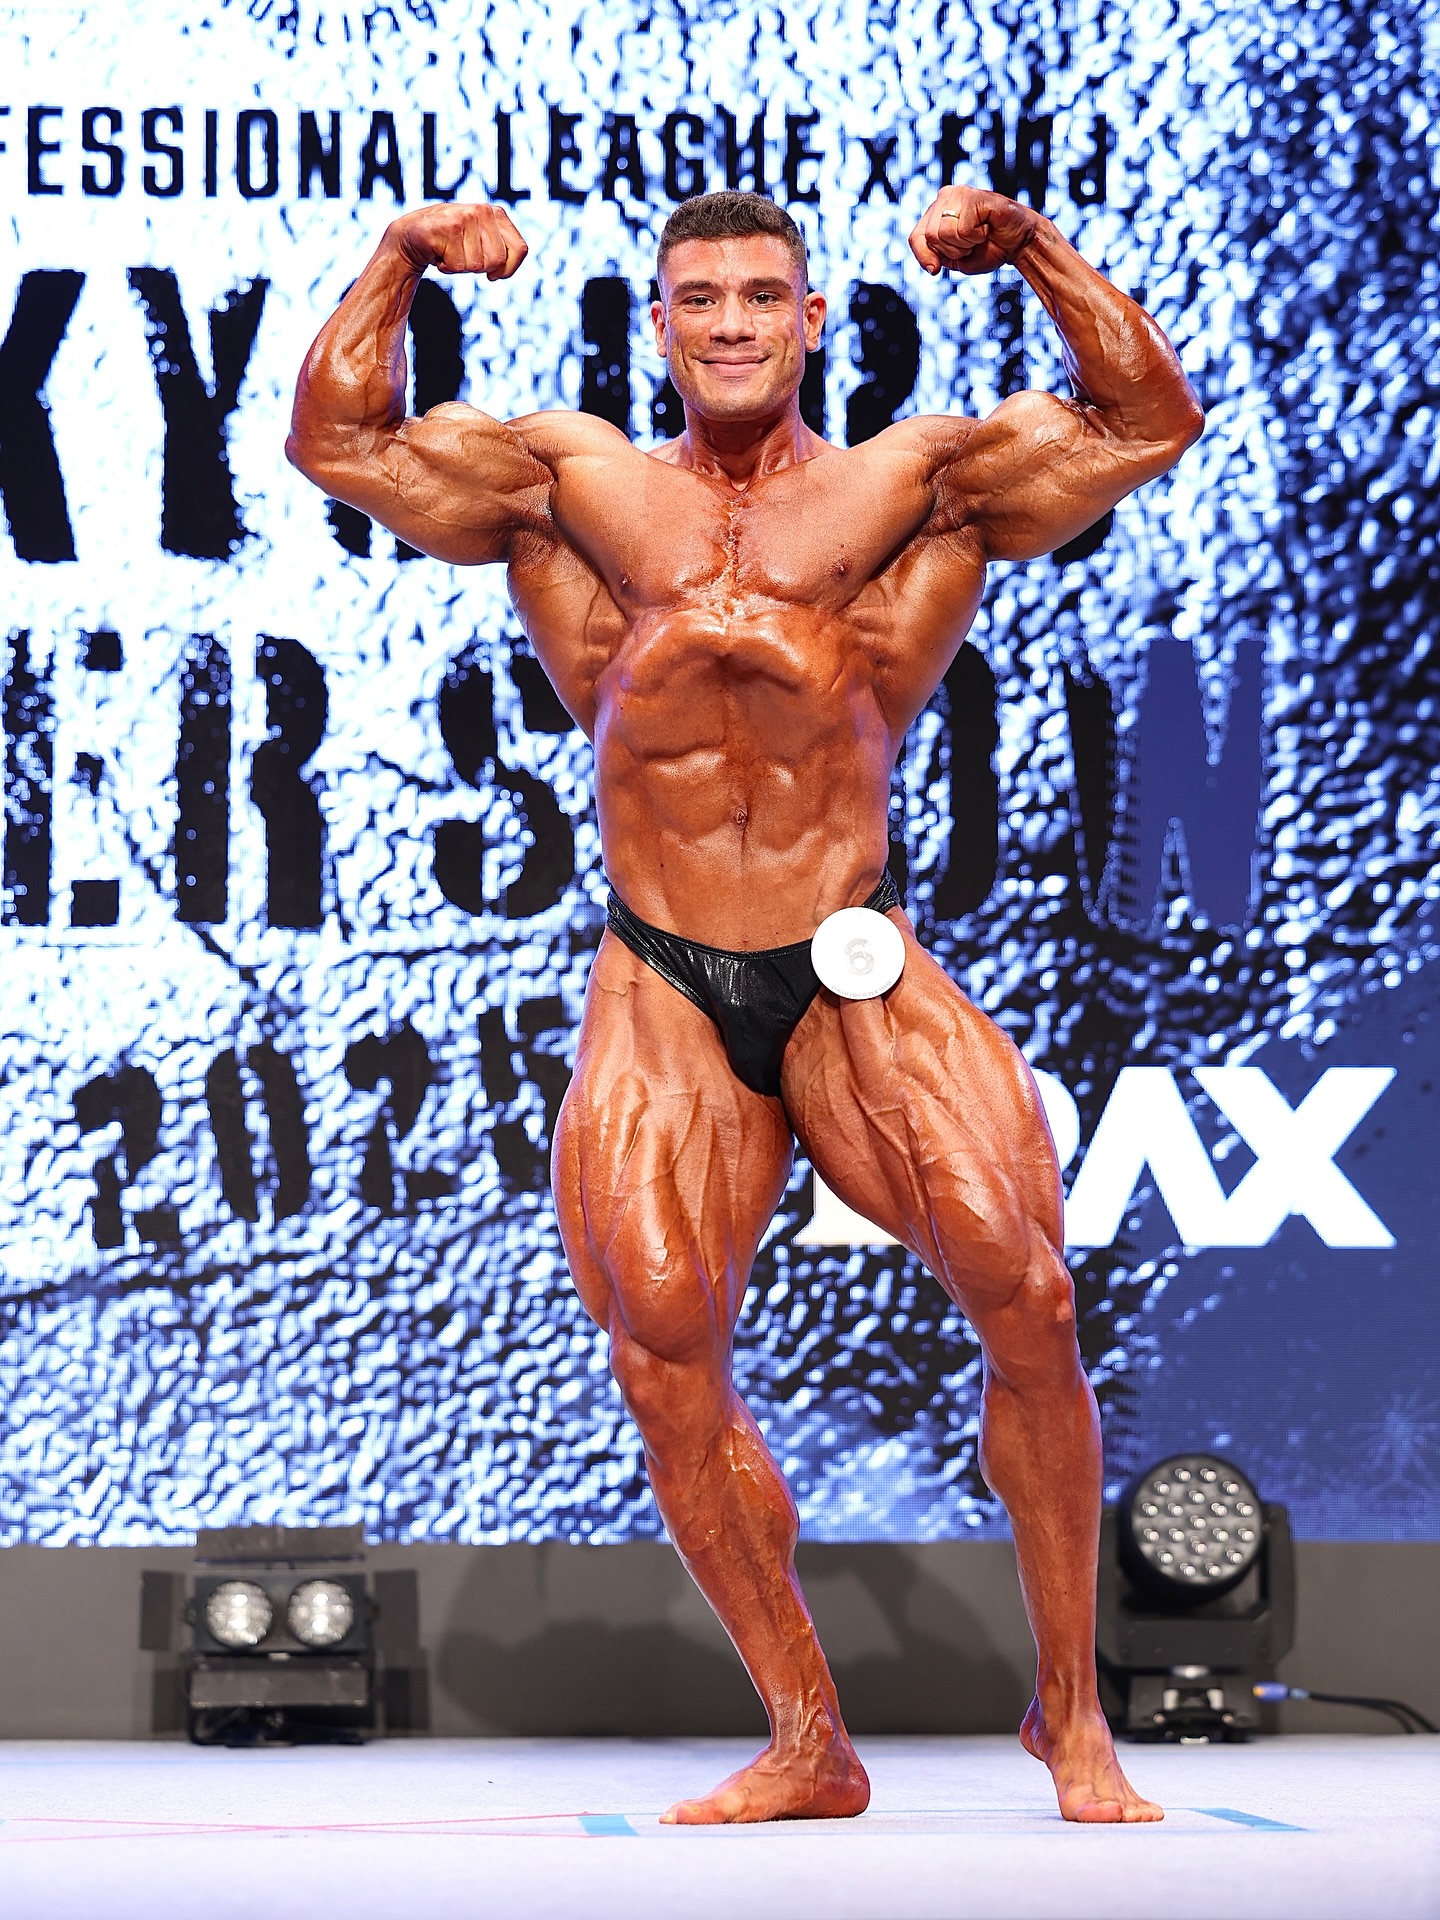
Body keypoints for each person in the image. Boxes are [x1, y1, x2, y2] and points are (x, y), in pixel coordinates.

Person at [287, 184, 1202, 1825]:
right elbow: (339, 442)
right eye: (698, 297)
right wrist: (403, 257)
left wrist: (1034, 252)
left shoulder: (916, 484)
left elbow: (1145, 420)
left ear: (811, 318)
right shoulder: (567, 485)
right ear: (658, 324)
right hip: (664, 972)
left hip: (849, 956)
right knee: (661, 1345)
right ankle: (806, 1736)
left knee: (1031, 1296)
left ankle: (1072, 1713)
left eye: (761, 295)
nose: (729, 323)